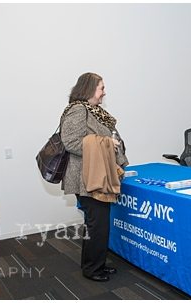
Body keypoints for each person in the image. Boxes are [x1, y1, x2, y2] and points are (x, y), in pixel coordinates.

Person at [60, 72, 128, 283]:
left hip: (100, 174)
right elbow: (70, 142)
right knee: (96, 225)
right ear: (89, 89)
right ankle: (92, 269)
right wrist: (107, 143)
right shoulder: (78, 110)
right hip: (87, 177)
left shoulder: (96, 112)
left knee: (98, 225)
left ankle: (96, 263)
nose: (104, 93)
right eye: (101, 88)